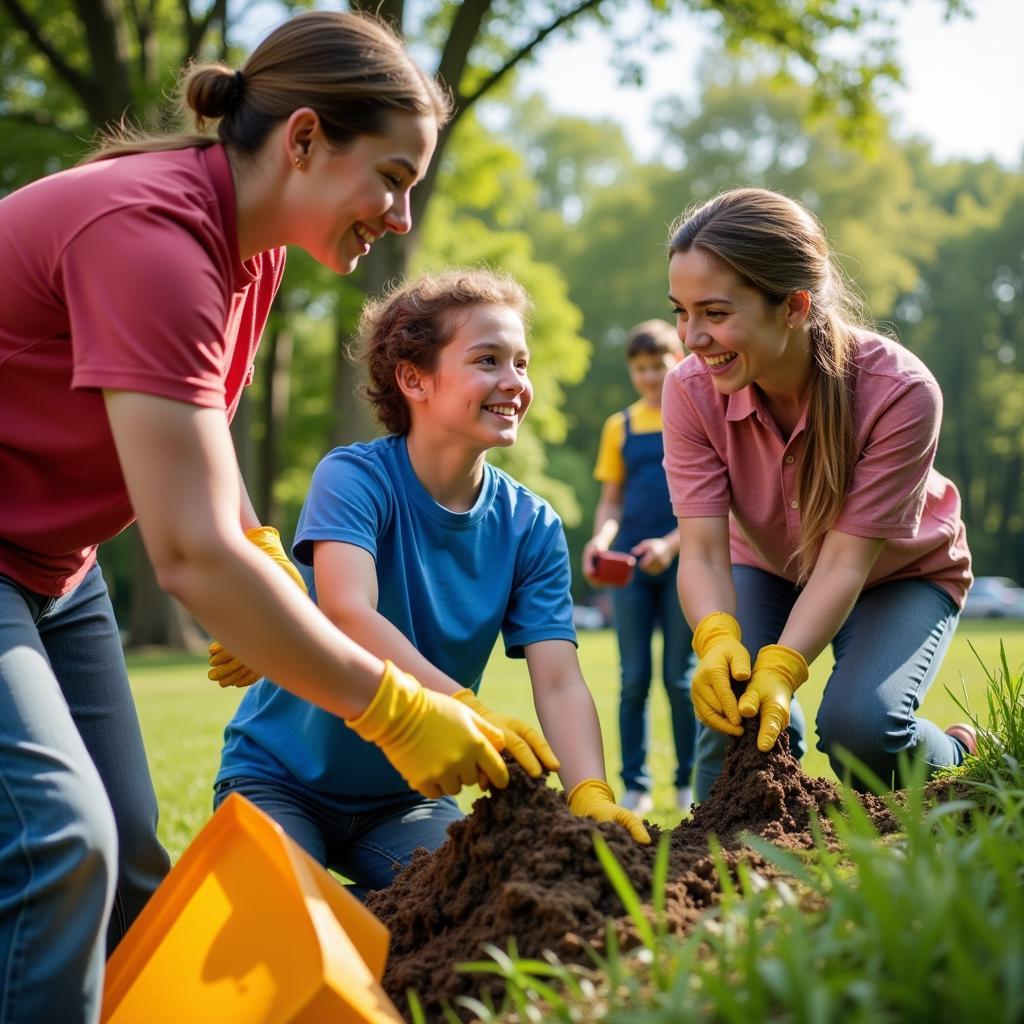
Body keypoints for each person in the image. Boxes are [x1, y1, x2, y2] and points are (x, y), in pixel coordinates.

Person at [0, 12, 511, 1022]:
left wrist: (263, 556)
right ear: (306, 139)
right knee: (58, 843)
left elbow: (199, 446)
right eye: (393, 177)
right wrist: (393, 708)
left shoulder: (250, 248)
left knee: (136, 857)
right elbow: (189, 554)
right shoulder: (148, 238)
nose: (401, 216)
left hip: (53, 561)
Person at [215, 269, 650, 897]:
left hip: (406, 800)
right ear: (414, 379)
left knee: (475, 908)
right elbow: (348, 613)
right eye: (488, 360)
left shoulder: (532, 524)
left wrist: (590, 792)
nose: (515, 383)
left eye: (521, 363)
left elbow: (558, 680)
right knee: (291, 920)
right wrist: (464, 709)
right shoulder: (354, 479)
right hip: (279, 779)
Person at [660, 187, 974, 802]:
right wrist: (718, 637)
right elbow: (700, 552)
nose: (692, 337)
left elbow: (844, 562)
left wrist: (783, 666)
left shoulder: (900, 392)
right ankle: (724, 866)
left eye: (715, 313)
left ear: (795, 307)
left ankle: (963, 751)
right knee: (733, 716)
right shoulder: (690, 391)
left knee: (862, 732)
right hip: (770, 566)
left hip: (900, 574)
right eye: (680, 311)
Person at [582, 321, 698, 814]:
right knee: (633, 679)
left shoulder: (695, 414)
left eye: (661, 364)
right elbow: (611, 501)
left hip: (684, 560)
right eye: (641, 368)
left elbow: (716, 504)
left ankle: (688, 783)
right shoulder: (619, 427)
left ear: (681, 358)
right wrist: (601, 540)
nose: (652, 376)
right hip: (630, 565)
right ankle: (635, 784)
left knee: (680, 678)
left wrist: (671, 545)